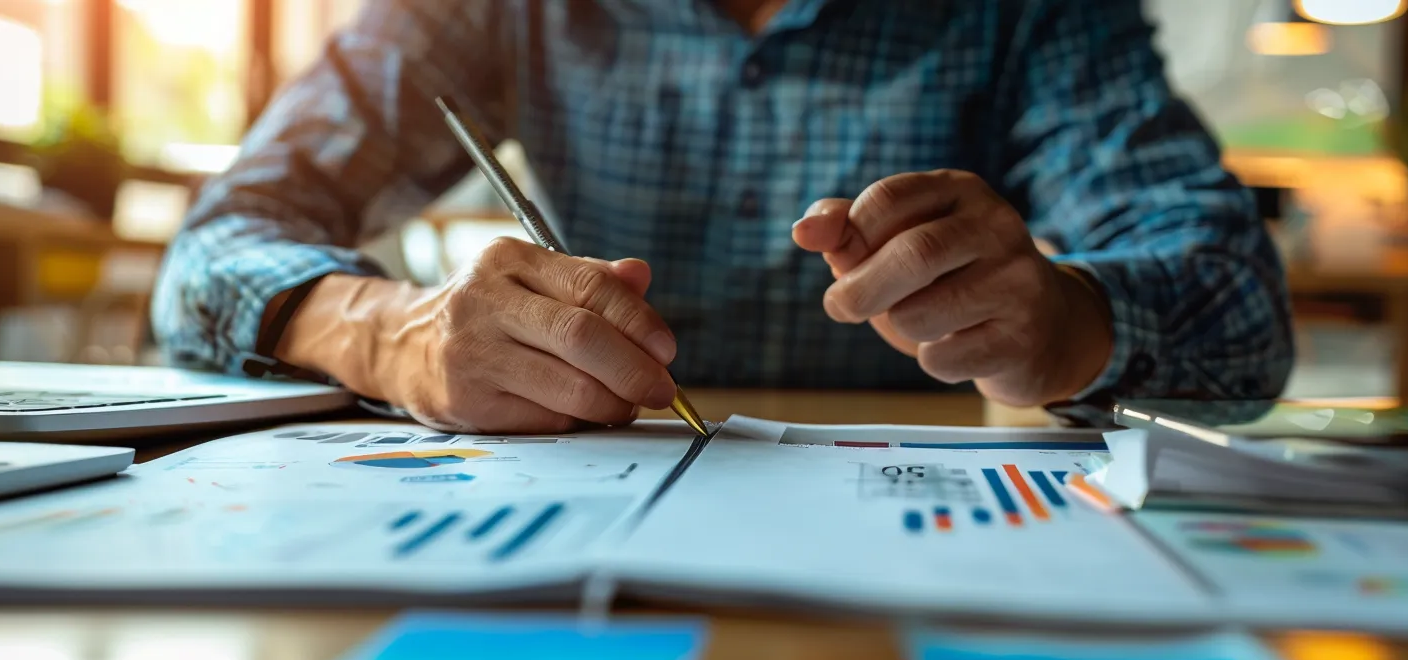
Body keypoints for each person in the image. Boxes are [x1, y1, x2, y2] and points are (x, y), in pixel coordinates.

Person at [152, 0, 1294, 434]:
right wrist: (391, 332)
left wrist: (1067, 321)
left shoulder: (1032, 13)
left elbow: (1240, 312)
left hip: (893, 561)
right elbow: (211, 254)